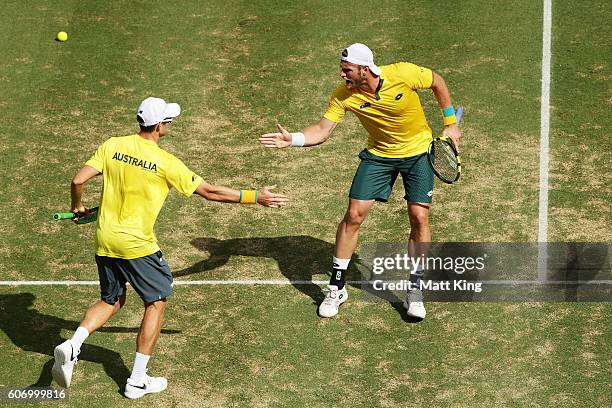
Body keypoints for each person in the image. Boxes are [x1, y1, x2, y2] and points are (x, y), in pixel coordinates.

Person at [52, 97, 288, 398]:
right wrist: (256, 196)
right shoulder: (166, 163)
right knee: (157, 299)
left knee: (112, 299)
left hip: (105, 239)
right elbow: (210, 192)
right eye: (168, 120)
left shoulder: (112, 145)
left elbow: (78, 179)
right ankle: (137, 380)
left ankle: (72, 345)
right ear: (160, 125)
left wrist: (78, 206)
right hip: (137, 245)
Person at [260, 43, 460, 320]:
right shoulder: (344, 95)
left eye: (347, 70)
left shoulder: (404, 73)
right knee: (354, 215)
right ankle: (337, 287)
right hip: (378, 156)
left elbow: (437, 81)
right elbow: (322, 130)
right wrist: (292, 139)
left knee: (419, 217)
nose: (342, 75)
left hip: (418, 153)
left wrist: (451, 123)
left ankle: (415, 290)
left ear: (364, 70)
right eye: (342, 70)